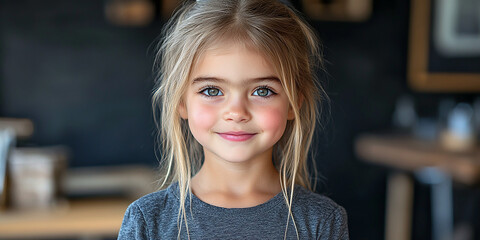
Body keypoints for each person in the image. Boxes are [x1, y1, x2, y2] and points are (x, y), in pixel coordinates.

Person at [118, 0, 349, 239]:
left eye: (262, 91)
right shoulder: (147, 221)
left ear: (293, 103)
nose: (237, 112)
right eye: (212, 91)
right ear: (181, 102)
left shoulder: (323, 221)